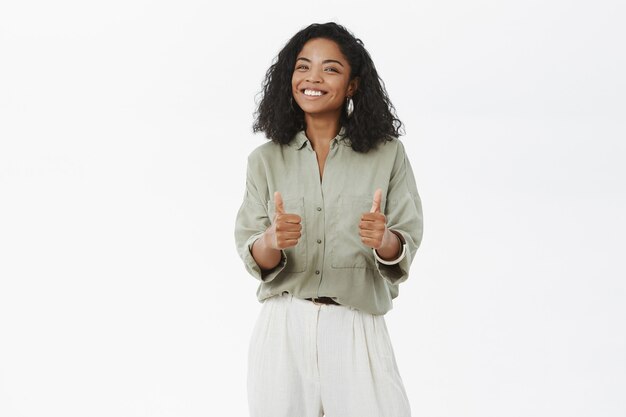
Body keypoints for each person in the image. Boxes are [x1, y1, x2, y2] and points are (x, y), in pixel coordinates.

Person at [234, 22, 423, 417]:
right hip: (284, 328)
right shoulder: (264, 161)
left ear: (353, 84)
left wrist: (384, 238)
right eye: (303, 67)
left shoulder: (387, 155)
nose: (313, 78)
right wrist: (271, 241)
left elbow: (404, 245)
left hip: (356, 326)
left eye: (331, 69)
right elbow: (254, 255)